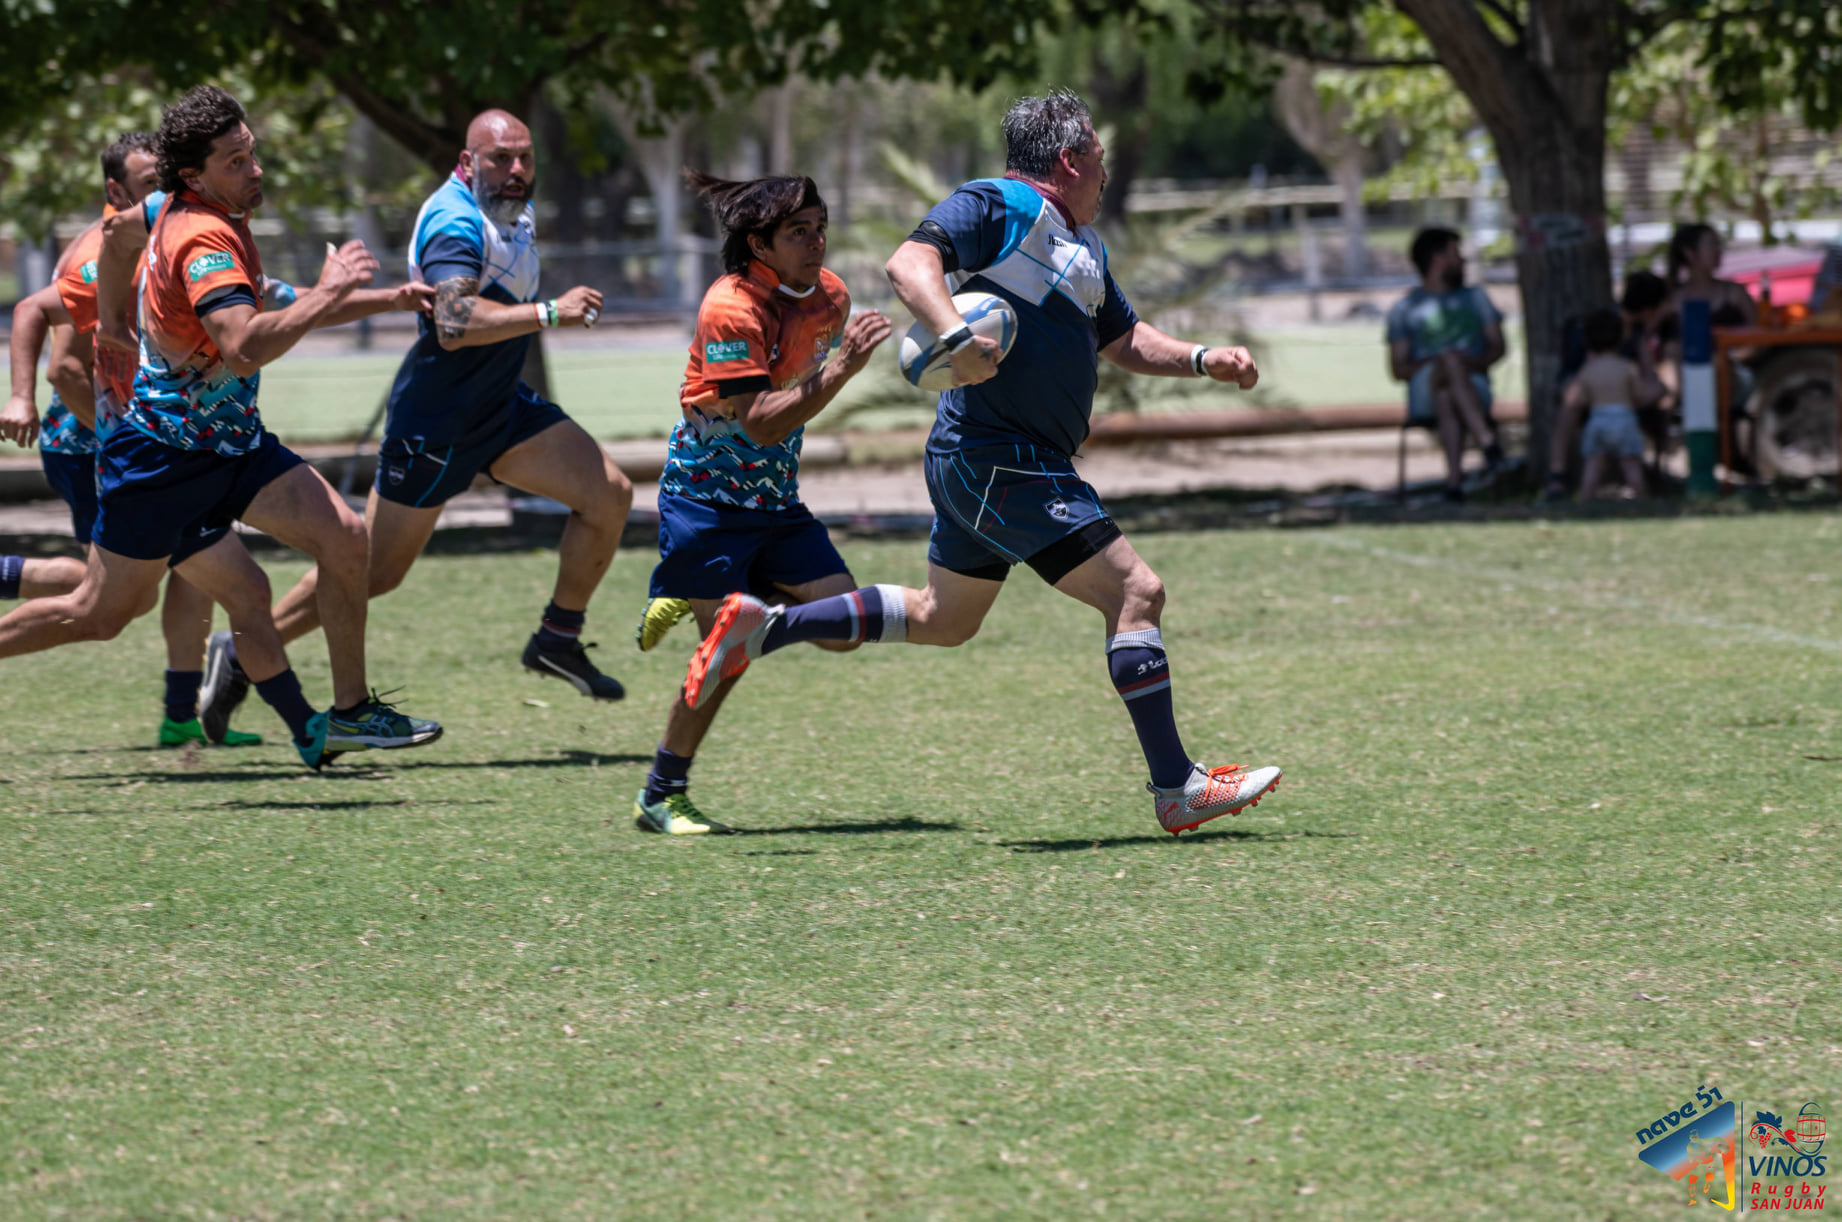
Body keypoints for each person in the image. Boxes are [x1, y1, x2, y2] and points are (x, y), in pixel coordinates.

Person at [675, 90, 1282, 837]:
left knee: (944, 618)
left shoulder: (1082, 245)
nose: (1105, 170)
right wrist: (953, 332)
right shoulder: (1001, 204)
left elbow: (1120, 338)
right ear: (1069, 159)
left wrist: (1200, 358)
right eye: (1099, 156)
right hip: (1000, 456)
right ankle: (1176, 787)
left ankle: (766, 628)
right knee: (1137, 592)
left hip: (990, 460)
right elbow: (910, 262)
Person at [0, 84, 442, 766]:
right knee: (100, 612)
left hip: (232, 447)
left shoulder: (164, 205)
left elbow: (117, 235)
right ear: (194, 175)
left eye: (252, 154)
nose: (254, 171)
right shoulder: (204, 238)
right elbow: (243, 345)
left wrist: (115, 323)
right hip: (160, 463)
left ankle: (349, 712)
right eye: (236, 161)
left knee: (345, 537)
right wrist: (331, 288)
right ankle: (295, 721)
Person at [247, 108, 633, 724]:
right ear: (467, 161)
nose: (515, 171)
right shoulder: (455, 221)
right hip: (437, 425)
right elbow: (453, 327)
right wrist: (550, 313)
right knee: (371, 575)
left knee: (609, 495)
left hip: (501, 410)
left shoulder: (511, 210)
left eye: (525, 158)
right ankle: (245, 653)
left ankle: (557, 639)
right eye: (499, 159)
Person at [632, 170, 892, 835]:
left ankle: (704, 604)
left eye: (821, 226)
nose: (817, 242)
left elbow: (793, 399)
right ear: (760, 242)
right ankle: (661, 795)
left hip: (776, 504)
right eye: (798, 231)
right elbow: (760, 423)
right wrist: (841, 372)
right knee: (723, 664)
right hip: (706, 505)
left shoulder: (831, 297)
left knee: (843, 627)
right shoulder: (729, 307)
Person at [3, 130, 263, 747]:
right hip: (94, 446)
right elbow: (64, 370)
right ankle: (181, 714)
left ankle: (181, 717)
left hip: (152, 443)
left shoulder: (166, 232)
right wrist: (131, 437)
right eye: (152, 185)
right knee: (112, 601)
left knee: (177, 577)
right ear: (116, 191)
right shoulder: (99, 253)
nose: (167, 195)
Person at [1386, 227, 1508, 501]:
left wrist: (1473, 362)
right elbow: (1398, 370)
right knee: (1448, 365)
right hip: (1422, 387)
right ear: (1438, 259)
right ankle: (1487, 442)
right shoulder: (1405, 309)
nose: (1463, 261)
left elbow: (1498, 346)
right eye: (1457, 254)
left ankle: (1454, 484)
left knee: (1447, 392)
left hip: (1474, 383)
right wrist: (1438, 361)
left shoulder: (1476, 298)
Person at [1545, 270, 1670, 498]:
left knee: (1658, 390)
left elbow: (1649, 374)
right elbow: (1584, 373)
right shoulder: (1605, 325)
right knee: (1569, 406)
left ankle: (1594, 492)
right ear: (1648, 309)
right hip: (1592, 388)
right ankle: (1557, 474)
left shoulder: (1638, 332)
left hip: (1623, 392)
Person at [1565, 308, 1658, 498]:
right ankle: (1642, 497)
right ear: (1620, 338)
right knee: (1630, 463)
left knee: (1593, 463)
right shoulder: (1627, 367)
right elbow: (1639, 394)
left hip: (1597, 419)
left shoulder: (1588, 370)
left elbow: (1576, 399)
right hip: (1624, 419)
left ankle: (1586, 497)